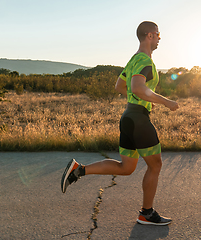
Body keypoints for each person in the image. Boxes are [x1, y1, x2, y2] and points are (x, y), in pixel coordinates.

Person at [61, 21, 179, 225]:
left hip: (128, 117)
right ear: (150, 35)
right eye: (159, 34)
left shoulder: (134, 59)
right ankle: (147, 213)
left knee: (126, 167)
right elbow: (139, 88)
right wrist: (166, 102)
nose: (160, 38)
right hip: (139, 120)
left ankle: (79, 170)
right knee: (155, 165)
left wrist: (136, 99)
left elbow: (119, 86)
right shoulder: (145, 61)